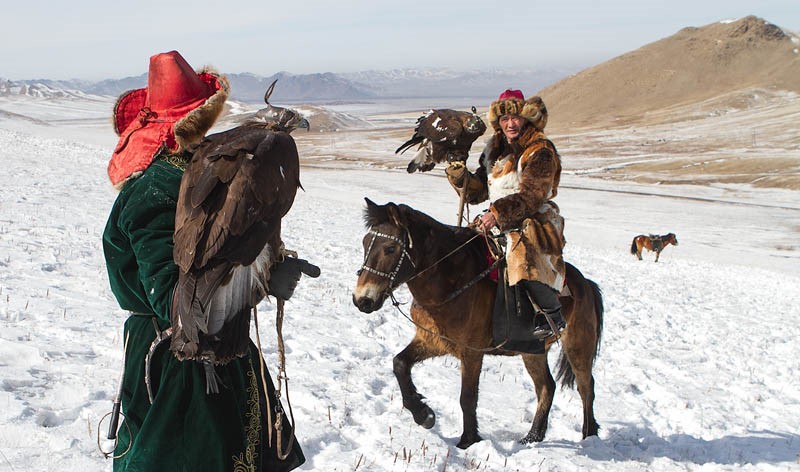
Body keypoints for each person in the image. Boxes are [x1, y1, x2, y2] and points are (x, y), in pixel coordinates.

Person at [102, 51, 306, 471]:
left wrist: (266, 273)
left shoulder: (193, 172)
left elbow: (214, 267)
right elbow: (173, 299)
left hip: (213, 344)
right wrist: (258, 285)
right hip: (180, 358)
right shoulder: (154, 190)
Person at [446, 89, 566, 341]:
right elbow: (478, 191)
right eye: (504, 120)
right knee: (460, 247)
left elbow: (533, 196)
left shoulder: (540, 150)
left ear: (525, 118)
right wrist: (460, 178)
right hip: (496, 215)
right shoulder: (494, 151)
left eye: (515, 118)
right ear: (498, 123)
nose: (510, 124)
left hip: (535, 218)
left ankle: (551, 314)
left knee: (521, 255)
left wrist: (497, 214)